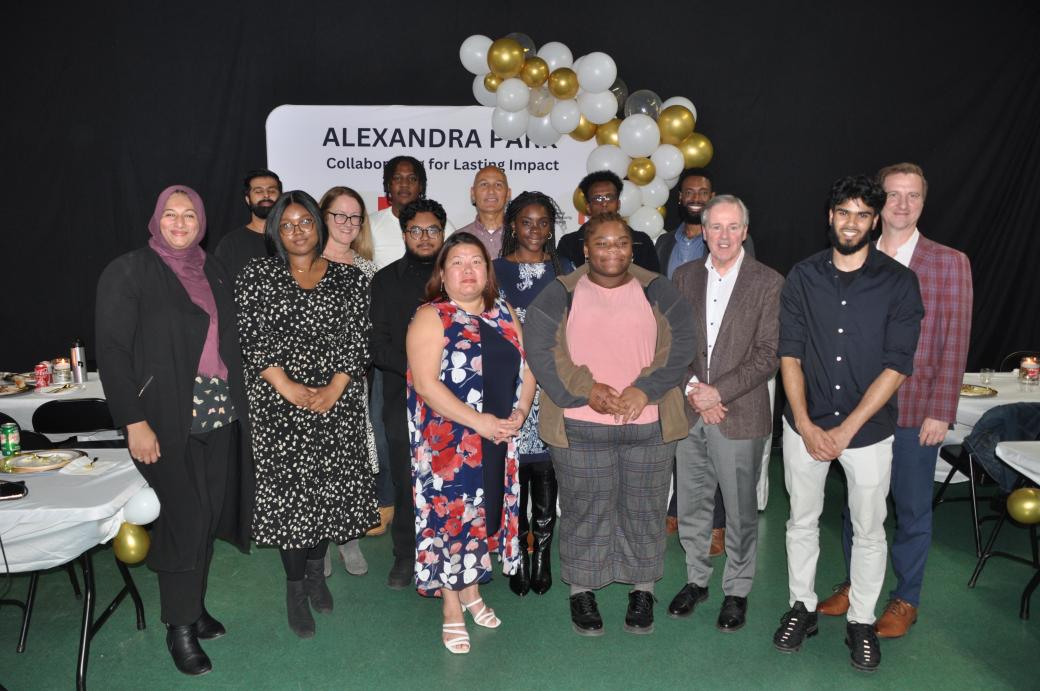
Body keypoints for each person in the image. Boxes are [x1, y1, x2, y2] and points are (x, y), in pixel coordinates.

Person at [96, 185, 254, 676]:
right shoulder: (128, 271)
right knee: (184, 518)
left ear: (201, 221)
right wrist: (134, 422)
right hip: (162, 420)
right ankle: (179, 627)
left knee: (206, 517)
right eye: (171, 214)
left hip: (219, 413)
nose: (181, 223)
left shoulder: (213, 269)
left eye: (190, 215)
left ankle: (194, 607)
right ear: (156, 219)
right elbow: (113, 353)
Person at [772, 175, 923, 672]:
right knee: (800, 521)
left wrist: (845, 430)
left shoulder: (900, 282)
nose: (851, 222)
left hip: (868, 431)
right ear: (829, 216)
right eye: (843, 212)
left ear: (875, 221)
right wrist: (804, 422)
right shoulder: (802, 276)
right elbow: (789, 355)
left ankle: (861, 619)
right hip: (804, 427)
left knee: (870, 529)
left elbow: (898, 365)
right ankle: (802, 606)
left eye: (862, 214)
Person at [818, 163, 973, 638]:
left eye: (913, 196)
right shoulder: (853, 255)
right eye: (893, 195)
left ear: (924, 203)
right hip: (860, 411)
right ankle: (855, 583)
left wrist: (941, 411)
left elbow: (956, 340)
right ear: (877, 202)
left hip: (914, 412)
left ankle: (906, 598)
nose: (902, 205)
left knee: (910, 510)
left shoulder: (949, 262)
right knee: (858, 508)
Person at [525, 213, 696, 636]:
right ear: (586, 249)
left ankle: (642, 590)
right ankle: (582, 590)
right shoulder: (560, 292)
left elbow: (682, 344)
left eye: (621, 242)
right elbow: (542, 351)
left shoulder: (658, 288)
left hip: (649, 423)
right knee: (586, 510)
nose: (612, 251)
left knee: (645, 508)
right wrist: (588, 389)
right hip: (580, 425)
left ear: (631, 247)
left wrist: (645, 389)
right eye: (602, 243)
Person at [235, 190, 377, 639]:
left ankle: (317, 573)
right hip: (279, 408)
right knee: (292, 501)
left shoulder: (349, 280)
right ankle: (296, 589)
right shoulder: (257, 275)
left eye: (306, 222)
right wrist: (288, 387)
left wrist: (335, 388)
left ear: (320, 226)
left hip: (337, 404)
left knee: (327, 497)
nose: (298, 231)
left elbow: (357, 340)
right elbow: (252, 338)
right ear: (276, 230)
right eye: (288, 223)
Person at [406, 231, 536, 654]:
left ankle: (473, 590)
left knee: (485, 515)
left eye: (476, 262)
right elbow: (426, 385)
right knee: (453, 521)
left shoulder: (504, 313)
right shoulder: (431, 316)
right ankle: (451, 605)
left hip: (497, 436)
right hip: (450, 443)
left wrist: (519, 412)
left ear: (488, 271)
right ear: (442, 274)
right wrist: (478, 422)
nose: (467, 270)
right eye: (457, 262)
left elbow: (528, 366)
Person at [668, 195, 783, 632]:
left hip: (740, 411)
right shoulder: (682, 278)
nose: (724, 235)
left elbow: (768, 354)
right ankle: (697, 579)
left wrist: (719, 393)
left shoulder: (768, 282)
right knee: (693, 503)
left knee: (738, 510)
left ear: (745, 232)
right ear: (704, 230)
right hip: (691, 409)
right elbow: (673, 345)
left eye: (733, 227)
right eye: (716, 226)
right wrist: (697, 391)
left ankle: (737, 589)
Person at [493, 191, 574, 597]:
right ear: (512, 225)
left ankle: (541, 556)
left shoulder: (567, 270)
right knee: (514, 472)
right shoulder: (493, 271)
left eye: (544, 223)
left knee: (545, 469)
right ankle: (516, 553)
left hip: (553, 386)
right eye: (527, 222)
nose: (536, 230)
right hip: (508, 385)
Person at [372, 198, 447, 590]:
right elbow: (376, 342)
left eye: (432, 229)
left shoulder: (457, 277)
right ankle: (406, 554)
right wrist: (420, 372)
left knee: (449, 475)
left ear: (443, 233)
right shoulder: (384, 281)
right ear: (404, 234)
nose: (423, 237)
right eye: (415, 230)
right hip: (402, 393)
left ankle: (449, 550)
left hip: (454, 396)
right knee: (405, 475)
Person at [317, 185, 382, 577]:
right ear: (322, 216)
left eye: (354, 217)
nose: (346, 223)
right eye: (338, 215)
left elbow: (372, 331)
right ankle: (318, 542)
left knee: (349, 461)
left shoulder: (368, 269)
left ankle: (349, 538)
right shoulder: (302, 264)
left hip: (352, 381)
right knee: (315, 461)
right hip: (304, 381)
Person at [555, 171, 661, 272]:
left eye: (609, 197)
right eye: (597, 198)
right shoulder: (569, 243)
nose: (604, 203)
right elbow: (564, 284)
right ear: (588, 207)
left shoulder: (641, 241)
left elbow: (653, 283)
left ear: (618, 204)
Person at [370, 156, 455, 269]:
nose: (404, 184)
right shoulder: (371, 224)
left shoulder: (442, 226)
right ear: (388, 185)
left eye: (412, 178)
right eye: (397, 178)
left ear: (421, 186)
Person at [214, 169, 281, 280]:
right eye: (258, 191)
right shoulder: (230, 244)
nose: (266, 195)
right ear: (248, 199)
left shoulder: (294, 238)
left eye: (272, 190)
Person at [457, 165, 511, 258]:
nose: (491, 191)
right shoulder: (459, 238)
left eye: (498, 185)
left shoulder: (522, 237)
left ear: (508, 194)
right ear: (473, 194)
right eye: (484, 184)